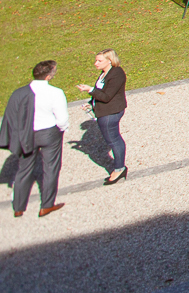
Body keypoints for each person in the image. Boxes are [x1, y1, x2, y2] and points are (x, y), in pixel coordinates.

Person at [5, 61, 66, 216]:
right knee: (50, 168)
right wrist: (61, 129)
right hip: (49, 133)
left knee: (24, 169)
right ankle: (46, 205)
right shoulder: (55, 92)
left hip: (26, 135)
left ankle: (18, 207)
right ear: (48, 75)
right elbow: (62, 119)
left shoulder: (19, 93)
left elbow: (11, 116)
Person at [79, 49, 127, 185]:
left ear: (109, 61)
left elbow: (106, 96)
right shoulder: (105, 73)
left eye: (99, 61)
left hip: (110, 112)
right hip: (105, 111)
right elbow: (102, 92)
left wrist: (90, 90)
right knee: (114, 139)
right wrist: (90, 104)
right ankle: (119, 167)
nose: (96, 63)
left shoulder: (116, 74)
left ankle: (119, 168)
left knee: (113, 140)